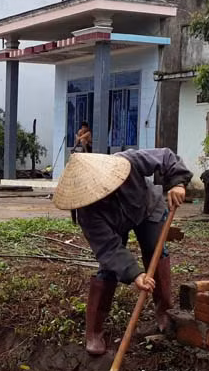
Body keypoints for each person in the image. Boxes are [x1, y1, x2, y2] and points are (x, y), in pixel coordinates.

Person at [54, 150, 191, 356]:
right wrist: (135, 274)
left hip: (147, 207)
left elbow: (166, 157)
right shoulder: (87, 213)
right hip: (114, 225)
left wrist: (178, 183)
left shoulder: (128, 162)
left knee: (155, 249)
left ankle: (164, 311)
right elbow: (108, 248)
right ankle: (94, 331)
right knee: (108, 269)